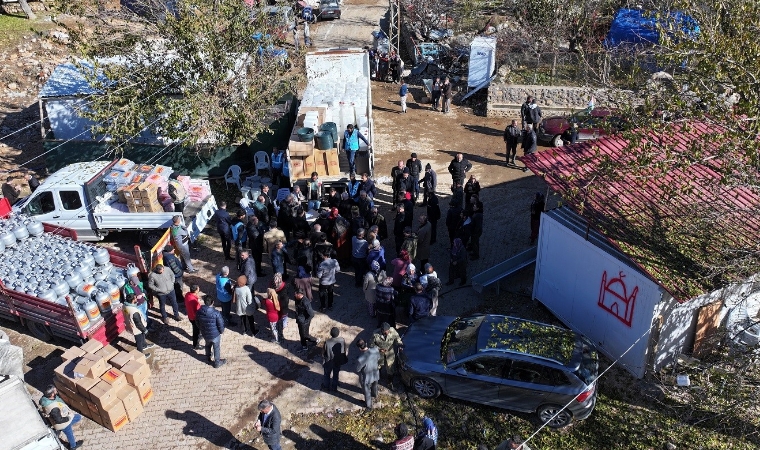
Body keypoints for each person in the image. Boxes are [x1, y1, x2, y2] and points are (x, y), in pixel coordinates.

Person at [197, 294, 226, 368]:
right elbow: (220, 324)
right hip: (215, 335)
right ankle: (217, 362)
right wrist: (222, 331)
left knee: (207, 345)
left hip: (205, 333)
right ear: (212, 302)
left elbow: (197, 322)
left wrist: (201, 328)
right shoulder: (216, 313)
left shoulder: (199, 311)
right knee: (216, 348)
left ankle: (208, 357)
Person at [371, 322, 403, 389]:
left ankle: (389, 383)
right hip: (379, 354)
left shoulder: (392, 330)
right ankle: (378, 376)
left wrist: (400, 344)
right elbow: (371, 345)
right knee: (378, 366)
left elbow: (397, 338)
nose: (388, 332)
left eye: (388, 330)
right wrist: (379, 349)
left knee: (390, 368)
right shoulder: (375, 334)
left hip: (389, 352)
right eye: (386, 331)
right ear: (382, 330)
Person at [355, 338, 380, 411]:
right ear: (366, 344)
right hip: (375, 373)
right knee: (375, 386)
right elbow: (378, 358)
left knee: (367, 391)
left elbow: (357, 369)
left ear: (359, 348)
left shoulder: (360, 359)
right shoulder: (375, 350)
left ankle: (369, 406)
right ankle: (375, 394)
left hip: (367, 378)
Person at [322, 327, 346, 391]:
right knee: (336, 374)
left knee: (327, 374)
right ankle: (334, 387)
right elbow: (344, 350)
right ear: (338, 333)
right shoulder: (342, 340)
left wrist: (323, 356)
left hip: (328, 362)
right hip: (337, 361)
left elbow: (323, 352)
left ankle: (326, 387)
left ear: (330, 333)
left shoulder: (327, 342)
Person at [184, 284, 203, 349]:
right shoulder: (194, 302)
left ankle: (198, 336)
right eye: (198, 289)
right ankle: (196, 345)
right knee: (196, 331)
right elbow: (197, 311)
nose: (199, 289)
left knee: (196, 330)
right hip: (195, 318)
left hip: (190, 315)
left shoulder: (187, 294)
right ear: (195, 291)